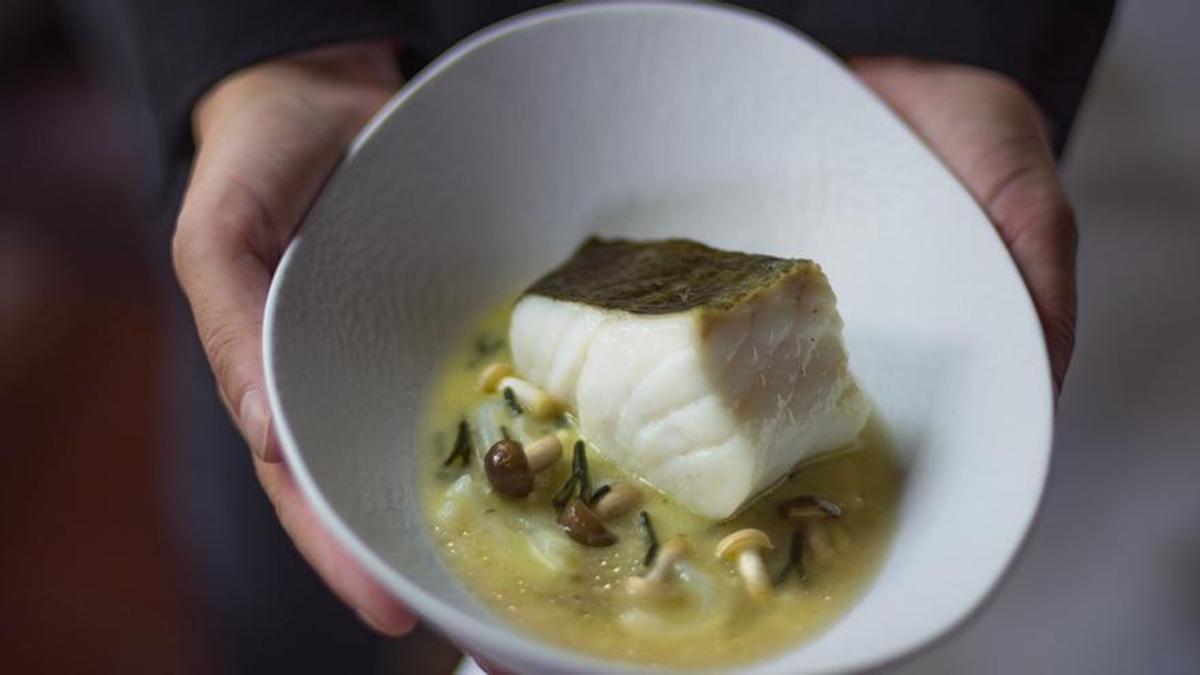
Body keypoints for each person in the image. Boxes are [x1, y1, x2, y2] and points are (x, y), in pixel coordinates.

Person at [117, 1, 1113, 671]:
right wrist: (265, 38)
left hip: (840, 55)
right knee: (282, 584)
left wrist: (950, 27)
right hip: (369, 104)